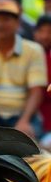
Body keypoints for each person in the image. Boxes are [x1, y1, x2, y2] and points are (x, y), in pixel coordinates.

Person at [0, 0, 47, 138]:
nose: (0, 24)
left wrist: (24, 121)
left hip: (24, 115)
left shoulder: (34, 51)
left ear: (17, 22)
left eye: (6, 19)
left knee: (29, 151)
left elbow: (36, 92)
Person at [34, 15, 51, 148]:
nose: (45, 36)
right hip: (32, 120)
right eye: (41, 31)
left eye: (49, 32)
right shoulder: (29, 57)